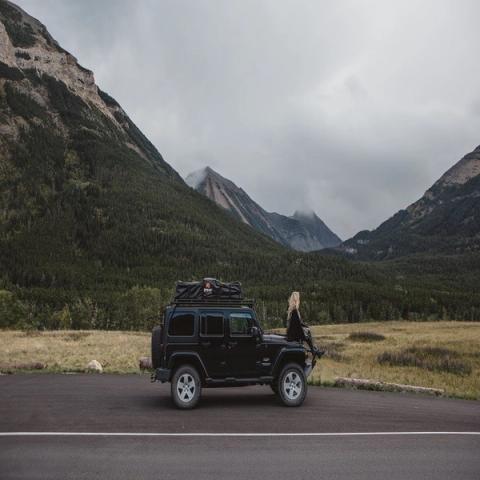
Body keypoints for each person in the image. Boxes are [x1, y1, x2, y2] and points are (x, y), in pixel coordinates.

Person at [285, 291, 322, 356]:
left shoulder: (292, 309)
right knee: (308, 334)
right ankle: (314, 351)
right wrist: (304, 333)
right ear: (297, 300)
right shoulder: (295, 311)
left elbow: (298, 323)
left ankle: (315, 350)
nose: (299, 300)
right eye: (299, 299)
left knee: (308, 332)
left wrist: (306, 327)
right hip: (293, 335)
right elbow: (298, 325)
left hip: (291, 334)